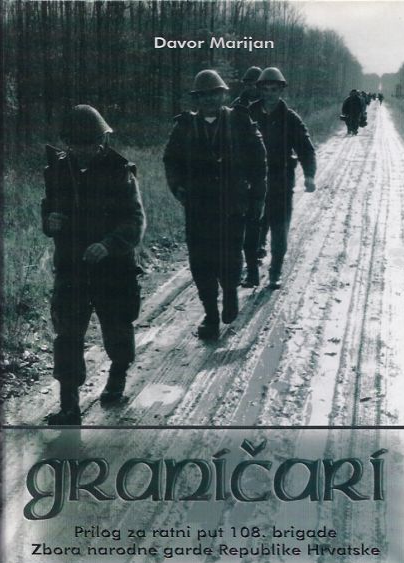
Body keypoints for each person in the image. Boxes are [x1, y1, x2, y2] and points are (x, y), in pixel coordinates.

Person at [42, 104, 146, 425]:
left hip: (113, 268)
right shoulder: (57, 170)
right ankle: (69, 406)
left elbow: (135, 220)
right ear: (67, 143)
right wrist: (50, 221)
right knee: (67, 335)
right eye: (76, 144)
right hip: (72, 266)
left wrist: (108, 245)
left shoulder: (120, 170)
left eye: (90, 143)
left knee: (117, 326)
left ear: (102, 141)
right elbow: (48, 209)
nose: (83, 150)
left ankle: (117, 373)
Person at [163, 70, 267, 339]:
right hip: (198, 208)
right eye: (203, 95)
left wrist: (256, 198)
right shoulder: (184, 126)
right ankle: (210, 316)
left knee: (230, 256)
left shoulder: (240, 121)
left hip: (232, 205)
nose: (209, 99)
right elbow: (171, 160)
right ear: (196, 99)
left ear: (223, 95)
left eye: (214, 94)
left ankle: (230, 293)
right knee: (200, 263)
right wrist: (178, 188)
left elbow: (259, 161)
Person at [247, 67, 316, 289]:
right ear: (260, 90)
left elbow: (305, 148)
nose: (269, 94)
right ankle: (252, 267)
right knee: (253, 226)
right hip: (253, 181)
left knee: (279, 227)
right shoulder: (248, 114)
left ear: (281, 90)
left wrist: (309, 175)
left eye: (274, 89)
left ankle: (275, 271)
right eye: (265, 89)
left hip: (281, 180)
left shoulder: (290, 118)